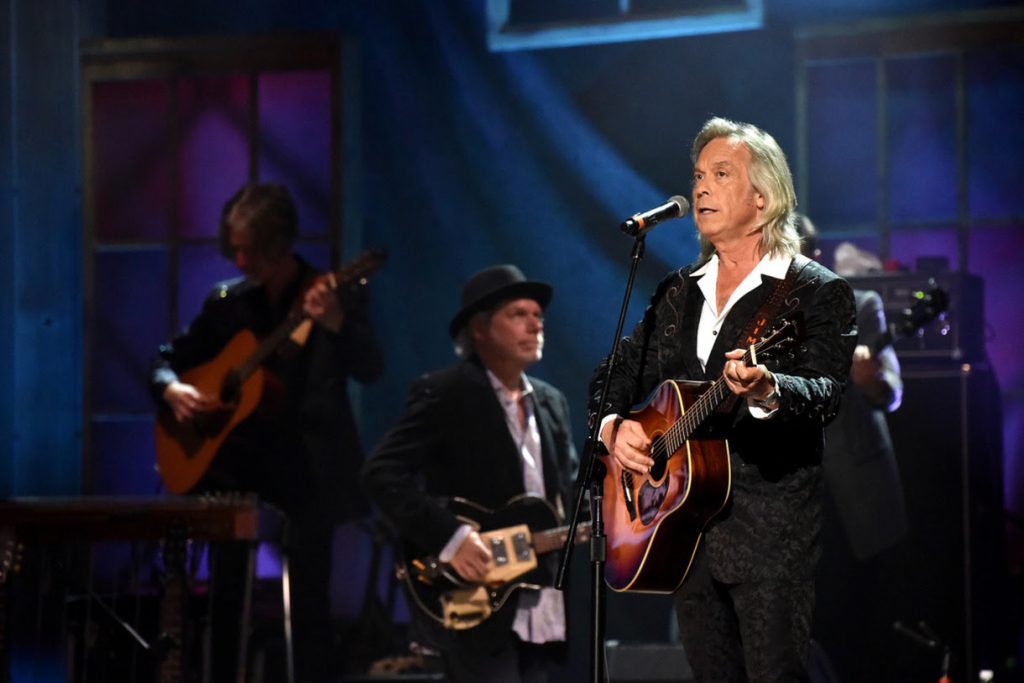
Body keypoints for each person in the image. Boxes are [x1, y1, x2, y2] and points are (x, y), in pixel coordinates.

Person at [588, 117, 857, 682]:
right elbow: (613, 374)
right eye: (698, 175)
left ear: (762, 198)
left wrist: (767, 388)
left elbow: (828, 393)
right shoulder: (677, 291)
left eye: (721, 174)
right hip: (682, 531)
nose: (700, 188)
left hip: (769, 534)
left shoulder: (815, 290)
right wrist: (615, 427)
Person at [149, 182, 383, 682]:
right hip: (240, 471)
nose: (239, 259)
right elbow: (169, 359)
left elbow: (371, 366)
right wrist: (171, 389)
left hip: (309, 477)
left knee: (311, 607)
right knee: (225, 598)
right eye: (233, 247)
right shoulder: (229, 304)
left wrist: (337, 323)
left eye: (250, 249)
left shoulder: (330, 293)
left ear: (280, 244)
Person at [361, 264, 578, 683]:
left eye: (538, 315)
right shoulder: (445, 393)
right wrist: (451, 538)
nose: (536, 323)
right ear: (479, 329)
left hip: (540, 599)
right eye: (519, 314)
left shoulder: (551, 402)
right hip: (474, 598)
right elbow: (382, 473)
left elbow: (568, 493)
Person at [796, 216, 908, 680]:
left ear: (816, 257)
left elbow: (892, 392)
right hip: (793, 496)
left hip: (850, 497)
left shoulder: (860, 305)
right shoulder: (758, 320)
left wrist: (872, 379)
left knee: (859, 629)